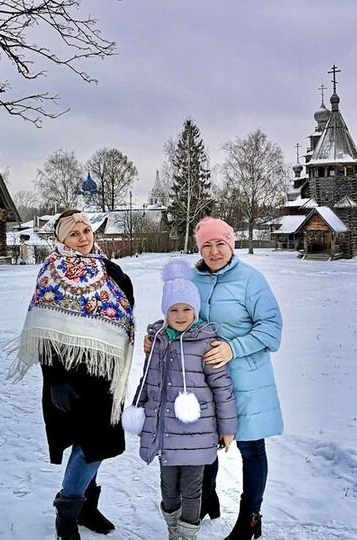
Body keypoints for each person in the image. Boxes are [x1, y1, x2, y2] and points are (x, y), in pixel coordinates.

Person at [145, 217, 284, 540]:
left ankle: (250, 517)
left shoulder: (251, 280)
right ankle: (207, 499)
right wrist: (157, 336)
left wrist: (233, 349)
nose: (214, 250)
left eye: (220, 243)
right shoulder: (192, 279)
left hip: (246, 381)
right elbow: (177, 315)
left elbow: (272, 328)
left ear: (231, 244)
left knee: (250, 449)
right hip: (200, 383)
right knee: (203, 447)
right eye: (206, 244)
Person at [7, 209, 135, 540]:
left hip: (104, 373)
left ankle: (86, 507)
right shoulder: (52, 272)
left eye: (86, 230)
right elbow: (43, 326)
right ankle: (68, 511)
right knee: (92, 444)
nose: (83, 237)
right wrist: (57, 379)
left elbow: (124, 306)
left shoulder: (107, 267)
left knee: (99, 441)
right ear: (61, 239)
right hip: (68, 373)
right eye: (74, 233)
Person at [126, 259, 238, 540]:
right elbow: (148, 381)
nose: (180, 315)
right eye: (174, 309)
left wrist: (227, 429)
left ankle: (186, 535)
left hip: (196, 431)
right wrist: (140, 410)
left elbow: (222, 387)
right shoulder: (159, 341)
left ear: (195, 310)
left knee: (192, 488)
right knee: (167, 488)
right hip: (166, 432)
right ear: (165, 312)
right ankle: (173, 529)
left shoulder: (206, 343)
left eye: (187, 309)